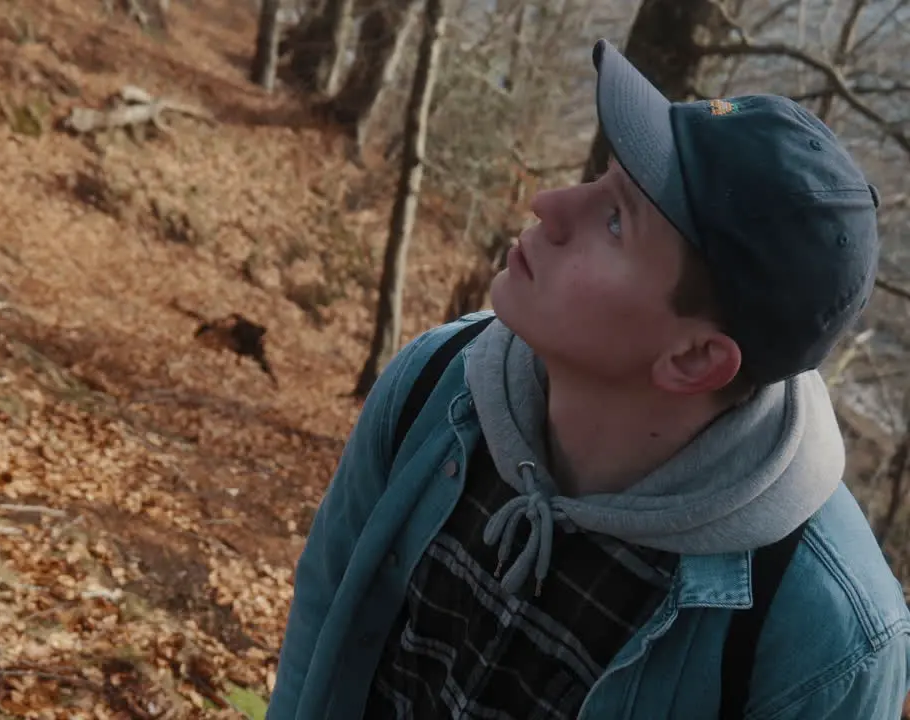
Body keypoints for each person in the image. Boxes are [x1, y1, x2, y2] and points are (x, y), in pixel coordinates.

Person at [267, 38, 910, 719]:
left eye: (614, 220)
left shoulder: (828, 639)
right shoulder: (434, 385)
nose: (550, 202)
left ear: (693, 359)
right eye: (600, 179)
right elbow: (319, 636)